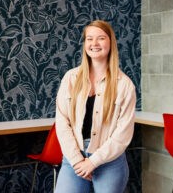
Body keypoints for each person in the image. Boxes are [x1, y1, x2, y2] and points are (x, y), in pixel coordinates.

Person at [54, 20, 136, 193]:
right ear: (85, 44)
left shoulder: (125, 85)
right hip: (73, 158)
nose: (94, 43)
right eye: (89, 39)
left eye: (101, 38)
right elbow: (62, 122)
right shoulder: (70, 78)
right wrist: (77, 160)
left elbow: (123, 134)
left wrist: (93, 161)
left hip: (110, 161)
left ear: (110, 42)